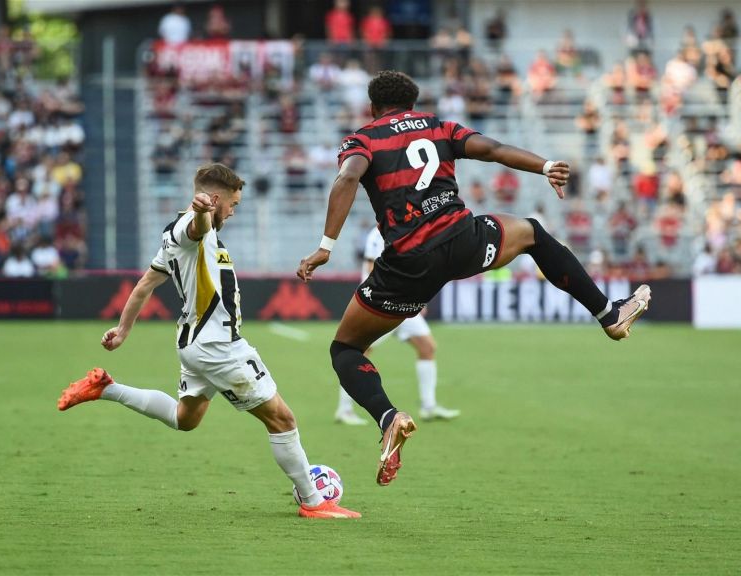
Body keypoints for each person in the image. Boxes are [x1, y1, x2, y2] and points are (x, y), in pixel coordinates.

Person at [296, 70, 651, 487]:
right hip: (463, 240)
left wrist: (326, 245)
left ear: (372, 107)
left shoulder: (364, 138)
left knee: (346, 349)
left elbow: (348, 177)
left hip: (408, 264)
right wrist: (546, 165)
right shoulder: (437, 125)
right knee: (533, 233)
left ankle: (389, 417)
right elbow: (493, 149)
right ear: (413, 101)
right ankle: (608, 313)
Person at [57, 163, 360, 520]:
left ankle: (106, 388)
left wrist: (123, 331)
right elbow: (197, 226)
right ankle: (313, 502)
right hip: (218, 347)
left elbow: (144, 286)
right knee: (282, 419)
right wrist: (201, 213)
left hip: (195, 344)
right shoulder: (192, 227)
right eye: (232, 204)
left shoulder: (174, 235)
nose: (233, 212)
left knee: (184, 418)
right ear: (215, 199)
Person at [334, 225, 460, 426]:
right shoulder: (378, 235)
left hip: (404, 304)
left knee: (427, 347)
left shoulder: (407, 231)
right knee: (359, 353)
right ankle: (344, 409)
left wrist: (417, 296)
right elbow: (370, 268)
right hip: (381, 304)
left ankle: (428, 406)